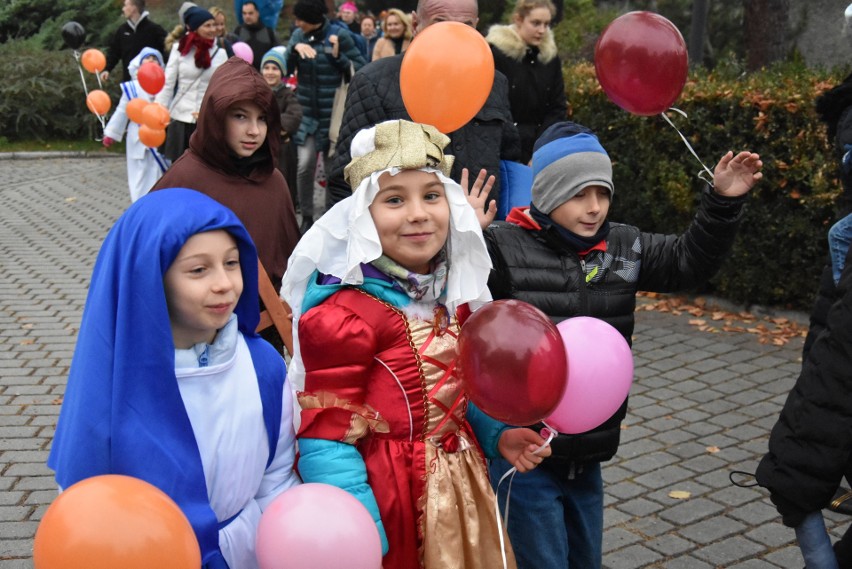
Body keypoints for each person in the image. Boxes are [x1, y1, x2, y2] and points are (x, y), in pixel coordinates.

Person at [478, 122, 762, 569]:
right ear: (548, 195)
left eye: (603, 193)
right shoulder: (503, 245)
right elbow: (456, 304)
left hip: (588, 452)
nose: (594, 208)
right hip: (527, 454)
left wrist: (723, 204)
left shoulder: (624, 246)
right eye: (579, 195)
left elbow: (688, 263)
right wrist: (465, 241)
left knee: (586, 560)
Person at [280, 119, 551, 568]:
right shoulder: (345, 313)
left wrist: (498, 434)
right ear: (362, 215)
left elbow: (461, 393)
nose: (418, 213)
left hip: (462, 483)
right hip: (390, 499)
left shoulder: (452, 293)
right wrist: (356, 530)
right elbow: (326, 436)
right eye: (393, 200)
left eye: (431, 195)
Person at [47, 188, 301, 568]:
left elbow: (277, 477)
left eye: (232, 263)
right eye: (198, 270)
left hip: (243, 551)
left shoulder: (262, 365)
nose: (224, 284)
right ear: (150, 278)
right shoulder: (114, 383)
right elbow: (86, 507)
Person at [152, 57, 300, 353]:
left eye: (262, 119)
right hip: (197, 337)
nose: (254, 131)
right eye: (241, 117)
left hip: (263, 334)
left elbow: (292, 267)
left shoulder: (274, 182)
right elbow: (151, 267)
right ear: (216, 117)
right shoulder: (184, 178)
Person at [325, 0, 521, 212]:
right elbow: (344, 180)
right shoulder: (372, 82)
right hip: (404, 235)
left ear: (476, 26)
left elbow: (508, 157)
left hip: (479, 231)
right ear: (416, 23)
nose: (453, 36)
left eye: (465, 25)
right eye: (440, 23)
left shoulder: (493, 82)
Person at [287, 0, 367, 233]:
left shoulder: (340, 35)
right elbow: (284, 68)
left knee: (335, 170)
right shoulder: (298, 36)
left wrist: (338, 56)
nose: (297, 23)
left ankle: (333, 216)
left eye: (301, 19)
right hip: (308, 114)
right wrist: (293, 51)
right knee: (304, 165)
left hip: (333, 115)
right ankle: (308, 216)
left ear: (313, 18)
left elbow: (360, 68)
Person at [486, 0, 567, 164]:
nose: (542, 30)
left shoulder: (550, 59)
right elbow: (491, 107)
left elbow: (557, 108)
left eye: (546, 24)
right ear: (518, 19)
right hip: (501, 151)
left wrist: (542, 150)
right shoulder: (496, 55)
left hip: (540, 150)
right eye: (536, 23)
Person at [156, 6, 228, 162]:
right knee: (179, 168)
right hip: (180, 117)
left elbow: (223, 88)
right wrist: (158, 111)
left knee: (204, 168)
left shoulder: (220, 53)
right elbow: (168, 82)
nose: (212, 29)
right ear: (195, 27)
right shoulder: (179, 49)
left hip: (206, 120)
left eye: (213, 25)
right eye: (207, 25)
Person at [102, 47, 170, 202]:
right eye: (147, 57)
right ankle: (139, 202)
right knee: (139, 172)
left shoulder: (165, 87)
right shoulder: (131, 88)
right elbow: (122, 111)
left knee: (159, 171)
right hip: (137, 135)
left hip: (159, 135)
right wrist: (111, 133)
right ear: (138, 65)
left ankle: (158, 201)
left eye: (155, 58)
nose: (151, 60)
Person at [261, 48, 303, 210]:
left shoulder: (287, 95)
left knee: (284, 188)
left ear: (282, 72)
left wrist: (268, 124)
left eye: (275, 68)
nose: (270, 72)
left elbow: (294, 116)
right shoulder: (255, 93)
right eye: (267, 68)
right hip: (261, 151)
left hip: (282, 151)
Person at [100, 0, 166, 83]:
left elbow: (166, 52)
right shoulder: (122, 30)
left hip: (152, 82)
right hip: (129, 83)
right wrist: (107, 69)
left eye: (125, 5)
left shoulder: (154, 30)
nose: (123, 9)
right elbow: (114, 52)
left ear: (133, 8)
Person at [233, 1, 280, 70]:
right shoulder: (238, 32)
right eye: (244, 13)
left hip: (264, 76)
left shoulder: (269, 33)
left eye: (250, 13)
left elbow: (277, 55)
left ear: (257, 13)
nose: (247, 16)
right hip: (243, 76)